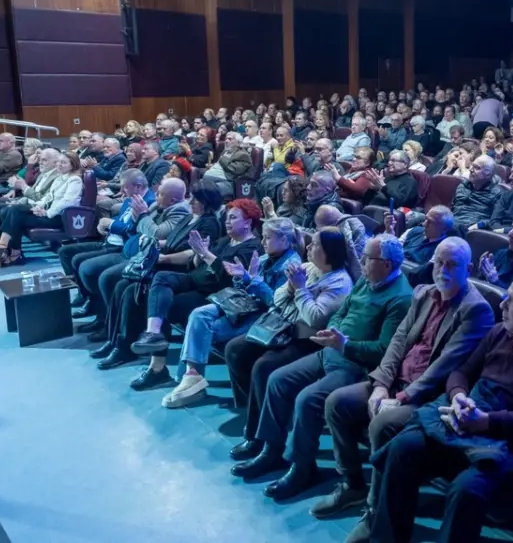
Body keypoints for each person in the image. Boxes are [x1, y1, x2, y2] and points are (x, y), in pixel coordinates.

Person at [368, 273, 513, 543]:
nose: (502, 305)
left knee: (466, 490)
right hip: (468, 419)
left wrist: (487, 421)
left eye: (512, 301)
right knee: (402, 448)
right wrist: (459, 396)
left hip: (510, 443)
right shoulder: (500, 332)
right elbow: (462, 372)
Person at [317, 239, 495, 532]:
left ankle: (375, 510)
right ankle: (352, 484)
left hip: (426, 396)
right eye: (439, 262)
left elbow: (445, 367)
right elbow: (398, 342)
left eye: (452, 265)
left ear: (469, 269)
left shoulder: (476, 310)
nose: (443, 270)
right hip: (395, 383)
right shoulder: (424, 293)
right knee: (337, 403)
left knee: (382, 424)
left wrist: (400, 397)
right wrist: (380, 385)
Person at [233, 235, 414, 500]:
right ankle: (271, 450)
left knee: (307, 400)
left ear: (386, 264)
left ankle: (302, 467)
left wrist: (345, 344)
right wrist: (335, 329)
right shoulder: (367, 279)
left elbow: (385, 352)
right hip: (330, 350)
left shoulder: (400, 298)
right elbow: (343, 311)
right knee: (277, 379)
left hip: (355, 366)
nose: (361, 262)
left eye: (368, 258)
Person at [154, 217, 304, 407]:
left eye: (267, 238)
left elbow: (277, 302)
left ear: (283, 240)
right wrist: (241, 277)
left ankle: (192, 378)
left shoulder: (291, 265)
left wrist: (252, 280)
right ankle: (191, 376)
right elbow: (247, 287)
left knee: (209, 329)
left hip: (265, 314)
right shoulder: (265, 257)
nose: (263, 242)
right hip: (245, 303)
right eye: (263, 237)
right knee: (199, 314)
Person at [121, 199, 265, 365]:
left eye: (233, 218)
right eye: (227, 218)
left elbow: (229, 278)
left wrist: (204, 253)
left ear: (248, 222)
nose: (227, 221)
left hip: (217, 294)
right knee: (159, 278)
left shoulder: (252, 248)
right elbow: (196, 265)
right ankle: (153, 333)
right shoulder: (225, 240)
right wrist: (198, 254)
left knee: (165, 304)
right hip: (196, 280)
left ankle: (158, 367)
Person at [64, 169, 158, 323]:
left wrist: (111, 224)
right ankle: (90, 300)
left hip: (123, 248)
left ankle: (103, 315)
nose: (121, 192)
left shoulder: (148, 203)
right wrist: (106, 223)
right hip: (110, 241)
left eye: (125, 187)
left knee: (88, 268)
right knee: (69, 254)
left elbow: (134, 231)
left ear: (139, 186)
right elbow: (123, 220)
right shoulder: (130, 199)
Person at [0, 151, 83, 266]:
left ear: (72, 165)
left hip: (59, 218)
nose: (59, 164)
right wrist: (38, 207)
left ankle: (4, 247)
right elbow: (48, 197)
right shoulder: (60, 178)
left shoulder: (75, 180)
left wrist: (47, 213)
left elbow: (67, 202)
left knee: (15, 211)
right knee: (14, 210)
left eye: (63, 162)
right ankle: (10, 251)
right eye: (58, 161)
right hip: (46, 212)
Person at [391, 205, 457, 265]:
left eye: (431, 222)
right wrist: (390, 231)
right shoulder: (413, 230)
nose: (425, 224)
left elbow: (425, 272)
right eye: (426, 219)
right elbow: (393, 250)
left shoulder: (443, 249)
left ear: (444, 229)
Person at [452, 155, 502, 232]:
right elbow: (452, 207)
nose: (471, 169)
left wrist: (480, 225)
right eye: (472, 165)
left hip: (473, 229)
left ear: (488, 174)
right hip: (453, 223)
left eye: (477, 168)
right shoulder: (463, 185)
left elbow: (495, 221)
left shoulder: (497, 193)